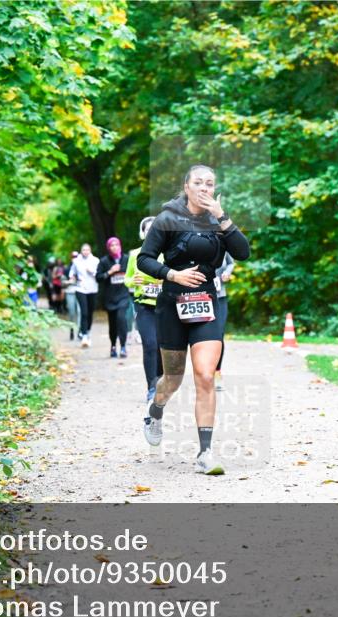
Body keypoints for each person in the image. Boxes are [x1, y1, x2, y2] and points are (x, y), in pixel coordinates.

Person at [137, 165, 250, 475]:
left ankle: (205, 453)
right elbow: (144, 259)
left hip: (207, 305)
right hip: (172, 304)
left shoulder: (218, 220)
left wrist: (223, 217)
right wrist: (172, 274)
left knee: (204, 375)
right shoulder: (167, 219)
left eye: (209, 183)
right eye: (198, 182)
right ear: (186, 186)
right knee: (172, 379)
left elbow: (243, 252)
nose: (204, 187)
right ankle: (155, 410)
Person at [125, 217, 166, 403]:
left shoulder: (168, 253)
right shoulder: (135, 254)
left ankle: (161, 383)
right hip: (144, 306)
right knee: (149, 345)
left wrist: (165, 278)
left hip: (166, 307)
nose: (151, 232)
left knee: (162, 347)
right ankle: (151, 387)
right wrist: (134, 281)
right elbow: (127, 279)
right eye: (148, 229)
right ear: (143, 233)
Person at [96, 237, 132, 358]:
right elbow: (98, 278)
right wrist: (110, 272)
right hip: (110, 297)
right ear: (108, 248)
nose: (115, 247)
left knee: (121, 319)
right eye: (112, 245)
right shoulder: (104, 261)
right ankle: (113, 346)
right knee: (113, 324)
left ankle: (123, 346)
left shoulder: (127, 259)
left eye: (117, 244)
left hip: (123, 296)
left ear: (120, 246)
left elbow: (133, 273)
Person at [71, 244, 99, 348]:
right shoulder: (76, 261)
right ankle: (84, 336)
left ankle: (87, 331)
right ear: (81, 251)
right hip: (80, 288)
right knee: (84, 312)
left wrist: (92, 272)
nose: (85, 251)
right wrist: (72, 277)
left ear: (90, 250)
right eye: (83, 250)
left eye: (87, 249)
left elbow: (99, 274)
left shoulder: (95, 261)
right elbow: (72, 272)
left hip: (92, 289)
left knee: (90, 312)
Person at [214, 251, 235, 391]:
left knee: (218, 335)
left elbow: (231, 263)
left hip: (219, 296)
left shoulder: (222, 244)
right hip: (200, 298)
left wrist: (227, 273)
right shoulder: (193, 240)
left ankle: (216, 373)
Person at [64, 251, 80, 340]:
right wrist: (69, 282)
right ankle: (71, 330)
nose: (75, 258)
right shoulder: (67, 269)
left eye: (76, 257)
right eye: (73, 257)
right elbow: (62, 282)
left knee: (80, 311)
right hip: (70, 292)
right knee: (72, 312)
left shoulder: (81, 268)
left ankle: (80, 331)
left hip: (80, 292)